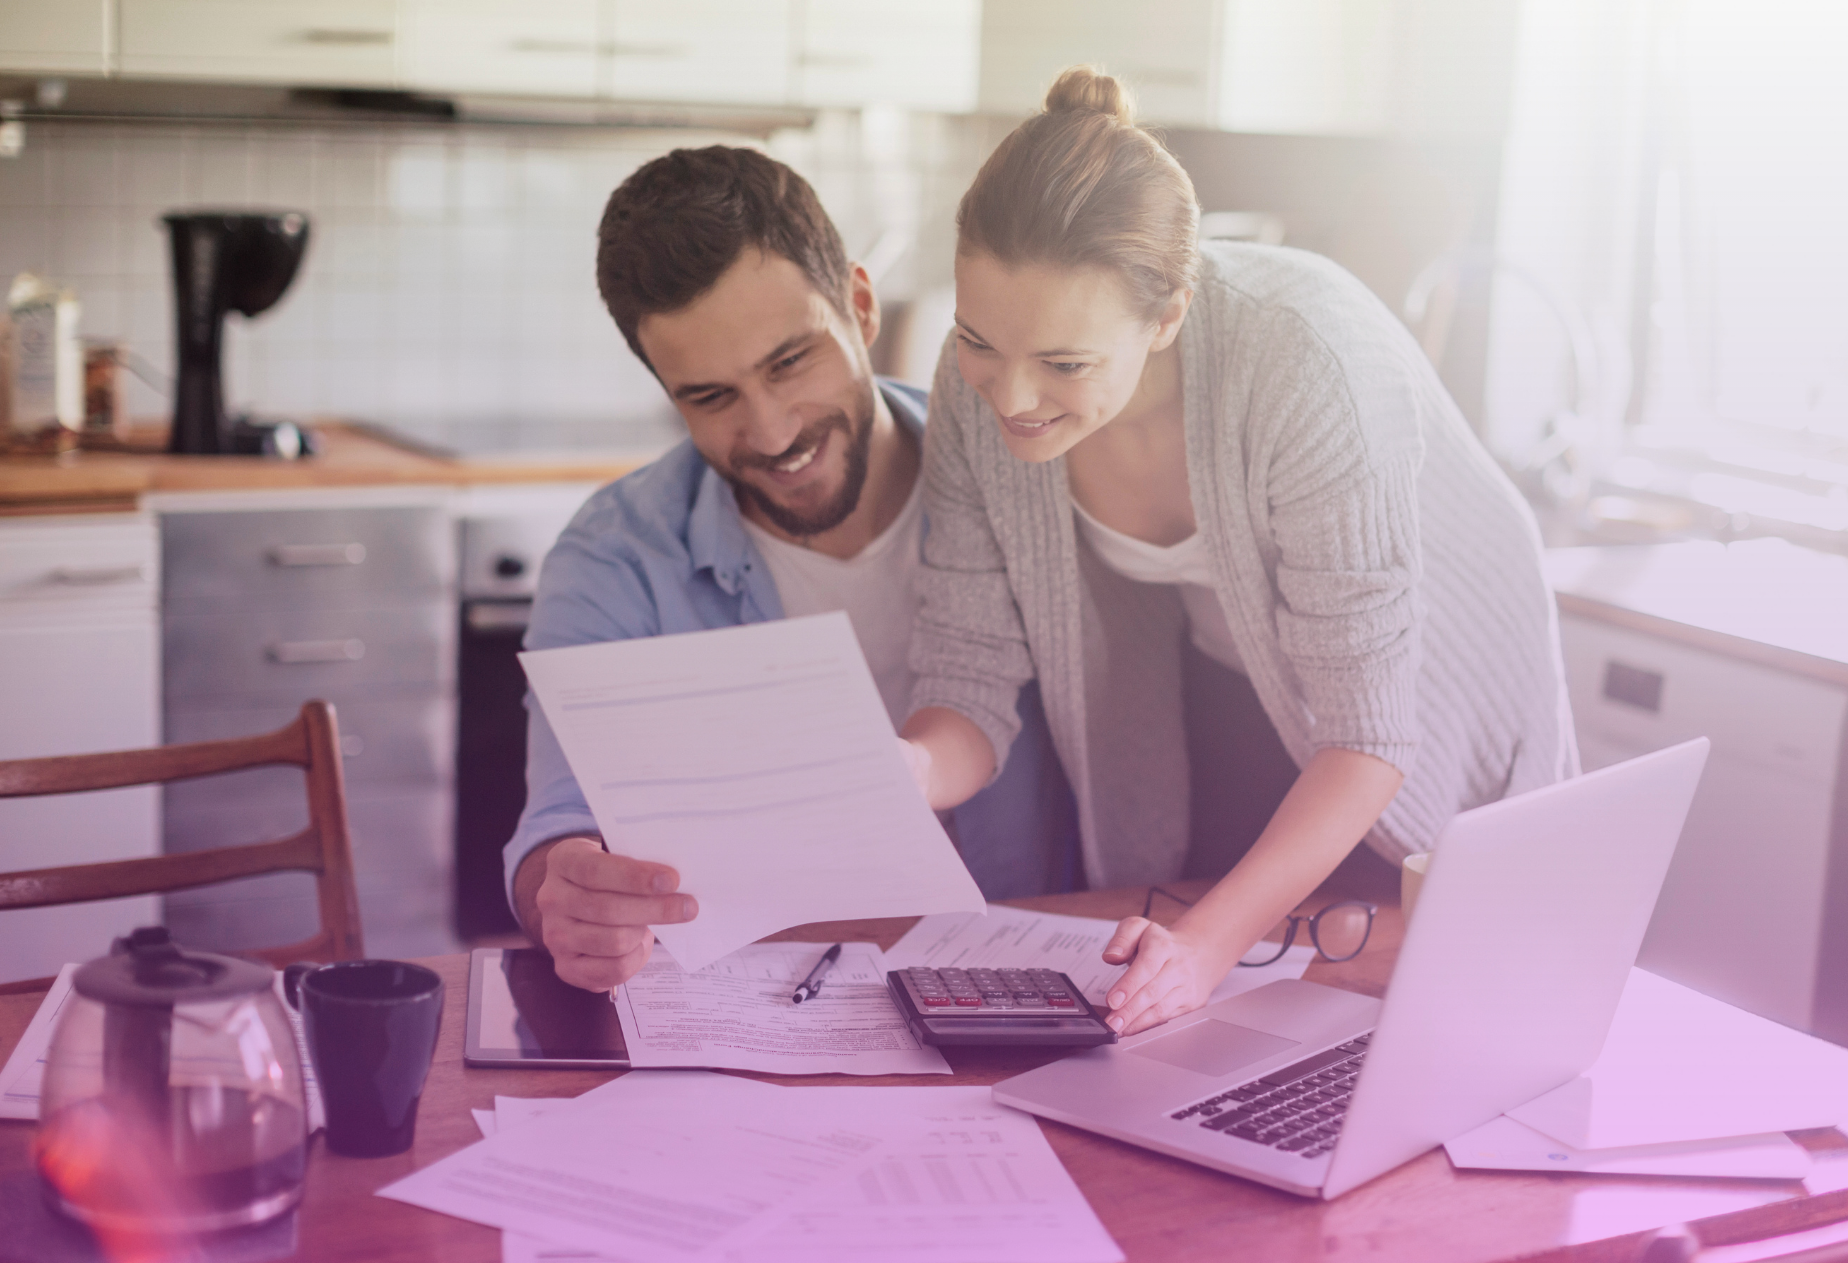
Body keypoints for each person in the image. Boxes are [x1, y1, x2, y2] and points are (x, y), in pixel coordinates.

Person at [900, 68, 1578, 1038]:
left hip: (1433, 674)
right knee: (1228, 990)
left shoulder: (1308, 366)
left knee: (1419, 972)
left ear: (1168, 314)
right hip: (1234, 657)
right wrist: (901, 770)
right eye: (978, 341)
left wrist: (1207, 946)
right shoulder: (980, 388)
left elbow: (1368, 735)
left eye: (1065, 363)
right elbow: (966, 677)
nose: (1008, 397)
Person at [507, 146, 1078, 992]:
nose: (772, 432)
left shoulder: (1020, 476)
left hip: (1032, 981)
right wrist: (570, 894)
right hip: (759, 1001)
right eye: (710, 397)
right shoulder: (615, 556)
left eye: (789, 362)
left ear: (859, 302)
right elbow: (558, 830)